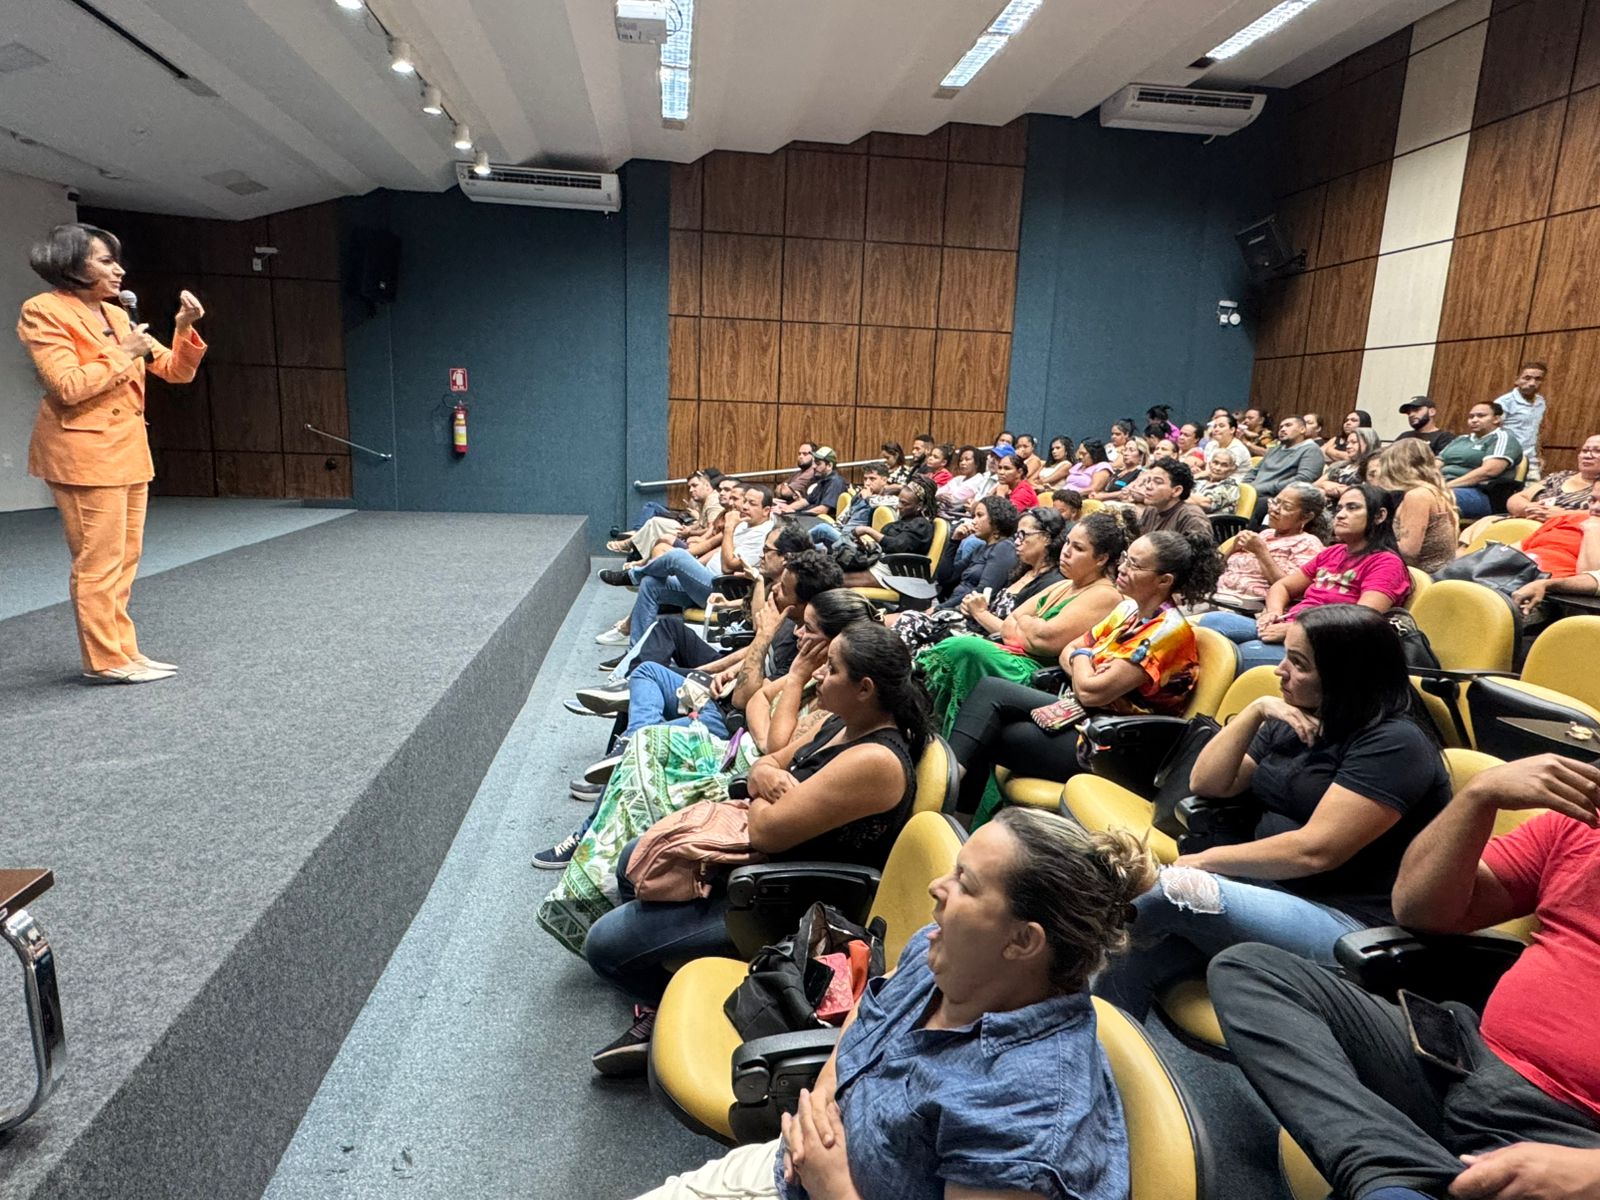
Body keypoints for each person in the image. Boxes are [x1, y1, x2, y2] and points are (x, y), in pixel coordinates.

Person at [635, 809, 1154, 1200]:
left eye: (965, 883)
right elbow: (872, 1007)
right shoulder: (941, 953)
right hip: (793, 1167)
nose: (937, 887)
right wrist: (824, 1099)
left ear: (1022, 941)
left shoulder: (1026, 1117)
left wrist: (834, 1186)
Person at [1208, 753, 1600, 1200]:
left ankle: (1394, 1176)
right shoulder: (1582, 820)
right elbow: (1419, 909)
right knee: (1252, 970)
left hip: (1574, 1134)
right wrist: (1477, 796)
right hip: (1469, 1062)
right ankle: (1393, 1174)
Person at [584, 619, 931, 1073]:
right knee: (634, 858)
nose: (818, 674)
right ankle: (666, 984)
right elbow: (766, 763)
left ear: (865, 688)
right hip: (759, 862)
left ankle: (671, 1010)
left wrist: (761, 790)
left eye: (831, 668)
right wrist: (766, 782)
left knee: (602, 947)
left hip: (781, 899)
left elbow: (765, 830)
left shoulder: (876, 760)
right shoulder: (841, 723)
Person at [1095, 605, 1450, 1019]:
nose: (1280, 670)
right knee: (1134, 947)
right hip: (1271, 892)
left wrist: (1205, 862)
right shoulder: (1296, 716)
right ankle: (1094, 1044)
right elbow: (1208, 783)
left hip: (1350, 925)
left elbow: (1315, 851)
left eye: (1298, 664)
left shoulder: (1395, 743)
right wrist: (1256, 711)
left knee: (1160, 894)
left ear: (1345, 675)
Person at [20, 222, 207, 684]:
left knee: (124, 558)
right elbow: (66, 386)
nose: (119, 269)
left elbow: (175, 371)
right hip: (83, 453)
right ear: (70, 264)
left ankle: (125, 651)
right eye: (105, 260)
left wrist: (183, 327)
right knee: (98, 562)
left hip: (127, 450)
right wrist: (123, 353)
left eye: (116, 260)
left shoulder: (118, 315)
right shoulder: (43, 310)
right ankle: (104, 660)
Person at [950, 530, 1217, 822]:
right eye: (1125, 558)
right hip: (1086, 715)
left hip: (1118, 745)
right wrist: (1085, 659)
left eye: (1135, 565)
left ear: (1164, 580)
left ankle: (949, 799)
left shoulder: (1168, 633)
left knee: (994, 732)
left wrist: (1083, 659)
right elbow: (1071, 651)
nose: (1122, 567)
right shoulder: (1128, 609)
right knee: (990, 691)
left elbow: (1091, 691)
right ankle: (949, 798)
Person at [918, 511, 1128, 734]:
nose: (1066, 551)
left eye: (1078, 548)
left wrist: (1026, 624)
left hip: (1038, 676)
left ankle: (930, 729)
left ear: (1101, 558)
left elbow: (1044, 640)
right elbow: (1009, 623)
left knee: (964, 648)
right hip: (1014, 656)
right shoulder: (1064, 584)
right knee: (955, 645)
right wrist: (1030, 626)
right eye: (1067, 542)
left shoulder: (1106, 595)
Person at [1197, 483, 1411, 671]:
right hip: (1291, 626)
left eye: (1352, 508)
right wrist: (1273, 613)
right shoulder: (1333, 552)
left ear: (1379, 516)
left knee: (1232, 654)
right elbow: (1282, 587)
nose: (1340, 515)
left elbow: (1361, 620)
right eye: (1339, 508)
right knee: (1211, 622)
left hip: (1327, 646)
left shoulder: (1386, 563)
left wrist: (1295, 630)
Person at [601, 485, 775, 644]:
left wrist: (729, 528)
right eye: (745, 501)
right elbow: (717, 549)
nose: (744, 507)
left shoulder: (762, 534)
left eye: (752, 504)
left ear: (766, 510)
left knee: (676, 555)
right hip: (703, 581)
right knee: (650, 584)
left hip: (721, 590)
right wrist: (692, 567)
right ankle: (636, 650)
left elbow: (728, 567)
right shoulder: (746, 524)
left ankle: (633, 576)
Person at [1211, 483, 1327, 608]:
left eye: (1286, 507)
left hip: (1251, 607)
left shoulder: (1308, 544)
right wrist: (1233, 548)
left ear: (1306, 517)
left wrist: (1261, 552)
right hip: (1217, 596)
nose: (1275, 509)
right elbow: (1216, 569)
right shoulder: (1265, 534)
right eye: (1275, 502)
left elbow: (1290, 589)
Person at [1370, 439, 1459, 573]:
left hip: (1423, 576)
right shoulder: (1434, 491)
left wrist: (1368, 544)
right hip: (1430, 572)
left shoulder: (1417, 496)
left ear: (1397, 467)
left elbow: (1408, 551)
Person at [1511, 482, 1600, 616]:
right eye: (1592, 500)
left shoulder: (1592, 527)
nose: (1595, 507)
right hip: (1511, 579)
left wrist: (1592, 530)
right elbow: (1510, 552)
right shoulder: (1567, 519)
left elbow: (1591, 577)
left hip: (1550, 598)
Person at [1440, 402, 1524, 519]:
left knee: (1429, 497)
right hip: (1445, 486)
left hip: (1480, 493)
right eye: (1471, 417)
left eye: (1481, 416)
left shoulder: (1502, 438)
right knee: (1415, 492)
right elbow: (1434, 464)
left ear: (1496, 419)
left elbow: (1489, 471)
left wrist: (1445, 486)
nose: (1474, 420)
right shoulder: (1460, 439)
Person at [1244, 415, 1326, 523]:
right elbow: (1254, 471)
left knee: (1260, 505)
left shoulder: (1311, 450)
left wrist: (1262, 488)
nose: (1282, 429)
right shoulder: (1274, 449)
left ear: (1302, 429)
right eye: (1281, 427)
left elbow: (1304, 479)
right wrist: (1245, 488)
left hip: (1276, 496)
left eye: (1288, 425)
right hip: (1255, 492)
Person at [1506, 431, 1600, 519]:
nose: (1587, 456)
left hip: (1569, 528)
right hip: (1529, 523)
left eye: (1598, 451)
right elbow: (1517, 498)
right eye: (1584, 450)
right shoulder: (1560, 476)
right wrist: (1530, 508)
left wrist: (1563, 514)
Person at [1134, 457, 1215, 541]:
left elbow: (1201, 548)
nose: (1148, 486)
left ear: (1176, 491)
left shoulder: (1193, 519)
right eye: (1148, 481)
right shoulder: (1151, 509)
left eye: (1157, 482)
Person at [1496, 360, 1549, 480]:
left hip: (1531, 461)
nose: (1532, 383)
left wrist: (1539, 455)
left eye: (1538, 379)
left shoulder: (1540, 402)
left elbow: (1537, 430)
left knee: (1534, 490)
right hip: (1507, 460)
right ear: (1517, 380)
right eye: (1527, 378)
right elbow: (1492, 432)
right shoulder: (1504, 402)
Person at [780, 446, 847, 516]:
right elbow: (805, 501)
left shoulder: (836, 482)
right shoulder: (822, 481)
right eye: (814, 463)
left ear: (829, 466)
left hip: (823, 520)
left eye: (818, 464)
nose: (814, 466)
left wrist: (795, 513)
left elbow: (823, 510)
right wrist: (785, 509)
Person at [1316, 427, 1381, 499]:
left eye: (1354, 442)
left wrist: (1339, 489)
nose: (1348, 446)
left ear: (1369, 443)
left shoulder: (1375, 467)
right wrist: (1324, 485)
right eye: (1347, 443)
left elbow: (1373, 492)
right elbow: (1314, 485)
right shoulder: (1339, 466)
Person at [1187, 447, 1243, 514]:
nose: (1217, 468)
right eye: (1215, 463)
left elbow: (1205, 503)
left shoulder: (1231, 487)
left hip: (1208, 519)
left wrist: (1180, 495)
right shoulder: (1201, 480)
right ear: (1209, 464)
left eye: (1224, 465)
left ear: (1232, 469)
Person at [935, 445, 986, 516]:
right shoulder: (958, 479)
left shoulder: (978, 481)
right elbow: (937, 493)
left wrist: (941, 496)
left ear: (977, 463)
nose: (962, 463)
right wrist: (939, 496)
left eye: (967, 459)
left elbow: (954, 501)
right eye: (961, 460)